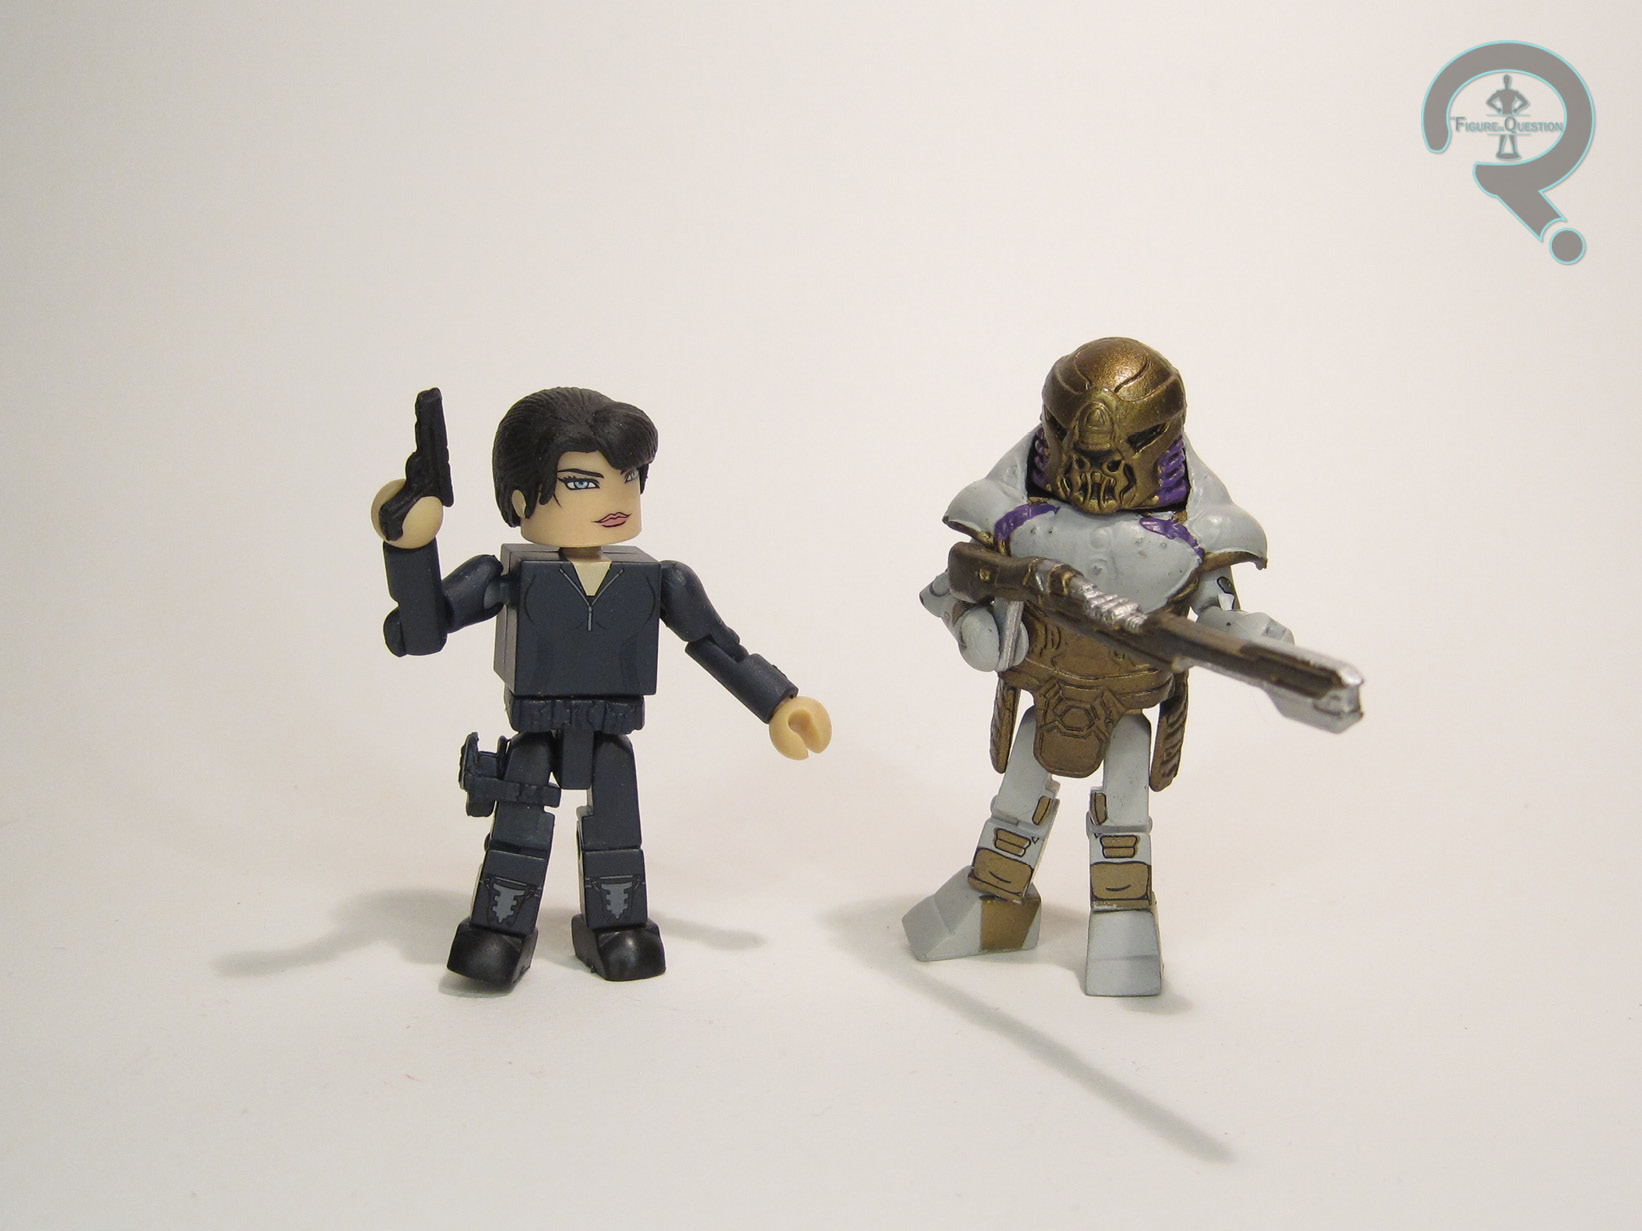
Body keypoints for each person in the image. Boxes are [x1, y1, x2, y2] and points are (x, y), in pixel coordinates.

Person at [373, 387, 830, 987]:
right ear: (520, 498)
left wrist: (778, 702)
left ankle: (617, 926)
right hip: (536, 733)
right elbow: (417, 631)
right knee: (518, 834)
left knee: (616, 832)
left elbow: (717, 644)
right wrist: (411, 546)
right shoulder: (504, 576)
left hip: (611, 730)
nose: (616, 498)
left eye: (629, 477)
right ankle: (499, 930)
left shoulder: (662, 580)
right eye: (583, 483)